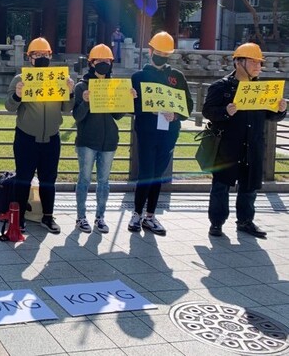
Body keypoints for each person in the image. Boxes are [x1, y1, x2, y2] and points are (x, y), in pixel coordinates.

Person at [202, 43, 286, 238]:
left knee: (249, 186)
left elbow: (270, 116)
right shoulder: (221, 87)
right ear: (239, 62)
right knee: (221, 186)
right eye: (254, 61)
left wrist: (281, 110)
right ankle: (216, 223)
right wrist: (225, 111)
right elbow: (208, 111)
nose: (258, 66)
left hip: (253, 146)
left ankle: (245, 221)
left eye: (259, 62)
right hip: (227, 147)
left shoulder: (262, 89)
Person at [4, 37, 74, 233]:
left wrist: (70, 92)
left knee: (48, 180)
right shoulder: (20, 79)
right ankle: (18, 219)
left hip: (51, 137)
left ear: (51, 56)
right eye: (37, 54)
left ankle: (48, 217)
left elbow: (67, 108)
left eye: (46, 54)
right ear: (30, 57)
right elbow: (9, 106)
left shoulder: (59, 79)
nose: (42, 57)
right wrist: (17, 95)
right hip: (26, 137)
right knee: (23, 178)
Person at [129, 31, 193, 236]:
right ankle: (136, 213)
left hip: (168, 133)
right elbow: (131, 107)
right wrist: (130, 97)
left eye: (166, 53)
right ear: (150, 51)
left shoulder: (177, 77)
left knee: (157, 176)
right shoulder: (138, 77)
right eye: (159, 52)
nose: (162, 56)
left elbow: (188, 106)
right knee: (146, 174)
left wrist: (176, 114)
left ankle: (150, 215)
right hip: (147, 132)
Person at [73, 44, 136, 234]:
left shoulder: (115, 86)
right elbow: (77, 116)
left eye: (107, 61)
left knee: (104, 181)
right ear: (91, 63)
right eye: (99, 61)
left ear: (111, 64)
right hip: (87, 142)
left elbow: (117, 115)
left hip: (109, 141)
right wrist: (84, 102)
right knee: (84, 180)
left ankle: (100, 217)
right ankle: (81, 217)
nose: (103, 64)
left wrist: (128, 100)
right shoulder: (81, 86)